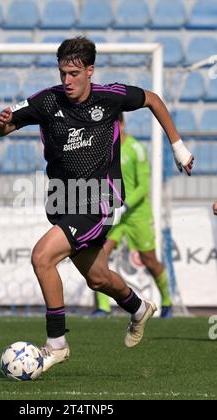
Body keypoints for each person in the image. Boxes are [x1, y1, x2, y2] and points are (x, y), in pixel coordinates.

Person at [0, 37, 194, 373]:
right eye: (62, 73)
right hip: (63, 200)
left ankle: (56, 344)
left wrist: (178, 147)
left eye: (73, 73)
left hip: (101, 198)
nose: (67, 80)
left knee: (42, 257)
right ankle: (138, 307)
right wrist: (0, 125)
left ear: (89, 70)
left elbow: (153, 100)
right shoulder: (46, 101)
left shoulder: (109, 97)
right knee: (98, 278)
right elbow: (4, 126)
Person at [92, 113, 173, 319]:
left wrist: (125, 205)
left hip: (136, 213)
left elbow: (143, 185)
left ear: (121, 123)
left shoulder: (136, 148)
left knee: (149, 260)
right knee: (99, 255)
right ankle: (103, 307)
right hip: (113, 213)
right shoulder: (102, 149)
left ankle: (167, 301)